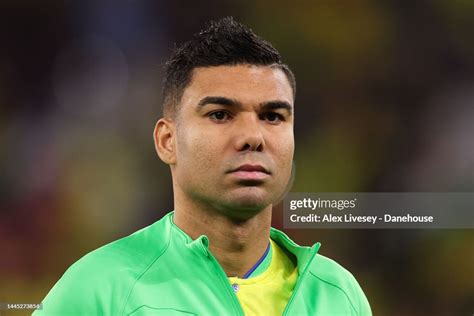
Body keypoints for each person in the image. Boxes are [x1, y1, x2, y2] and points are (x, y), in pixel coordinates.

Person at [34, 17, 371, 315]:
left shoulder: (338, 295)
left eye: (272, 116)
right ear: (168, 141)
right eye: (220, 115)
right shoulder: (101, 288)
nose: (253, 137)